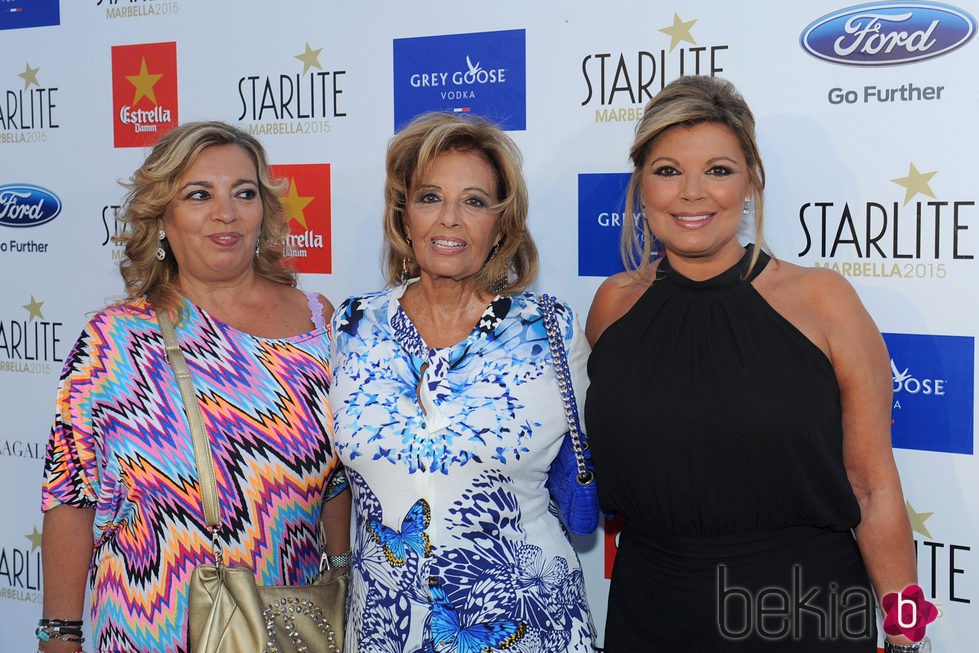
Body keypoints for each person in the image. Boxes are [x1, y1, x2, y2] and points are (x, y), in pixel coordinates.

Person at [585, 76, 924, 651]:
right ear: (640, 185)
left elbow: (872, 486)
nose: (692, 193)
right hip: (650, 608)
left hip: (800, 609)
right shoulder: (612, 305)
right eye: (668, 170)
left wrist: (909, 633)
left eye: (718, 170)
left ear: (751, 183)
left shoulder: (824, 301)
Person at [39, 121, 350, 653]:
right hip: (153, 622)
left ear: (264, 212)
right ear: (162, 217)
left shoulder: (319, 322)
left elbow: (336, 479)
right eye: (199, 195)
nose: (225, 213)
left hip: (291, 623)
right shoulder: (116, 340)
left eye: (244, 193)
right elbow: (71, 496)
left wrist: (345, 584)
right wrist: (60, 635)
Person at [329, 111, 595, 652]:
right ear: (404, 217)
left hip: (527, 630)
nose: (449, 219)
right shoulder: (350, 327)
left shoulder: (551, 330)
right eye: (429, 197)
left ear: (502, 225)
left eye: (474, 201)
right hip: (386, 633)